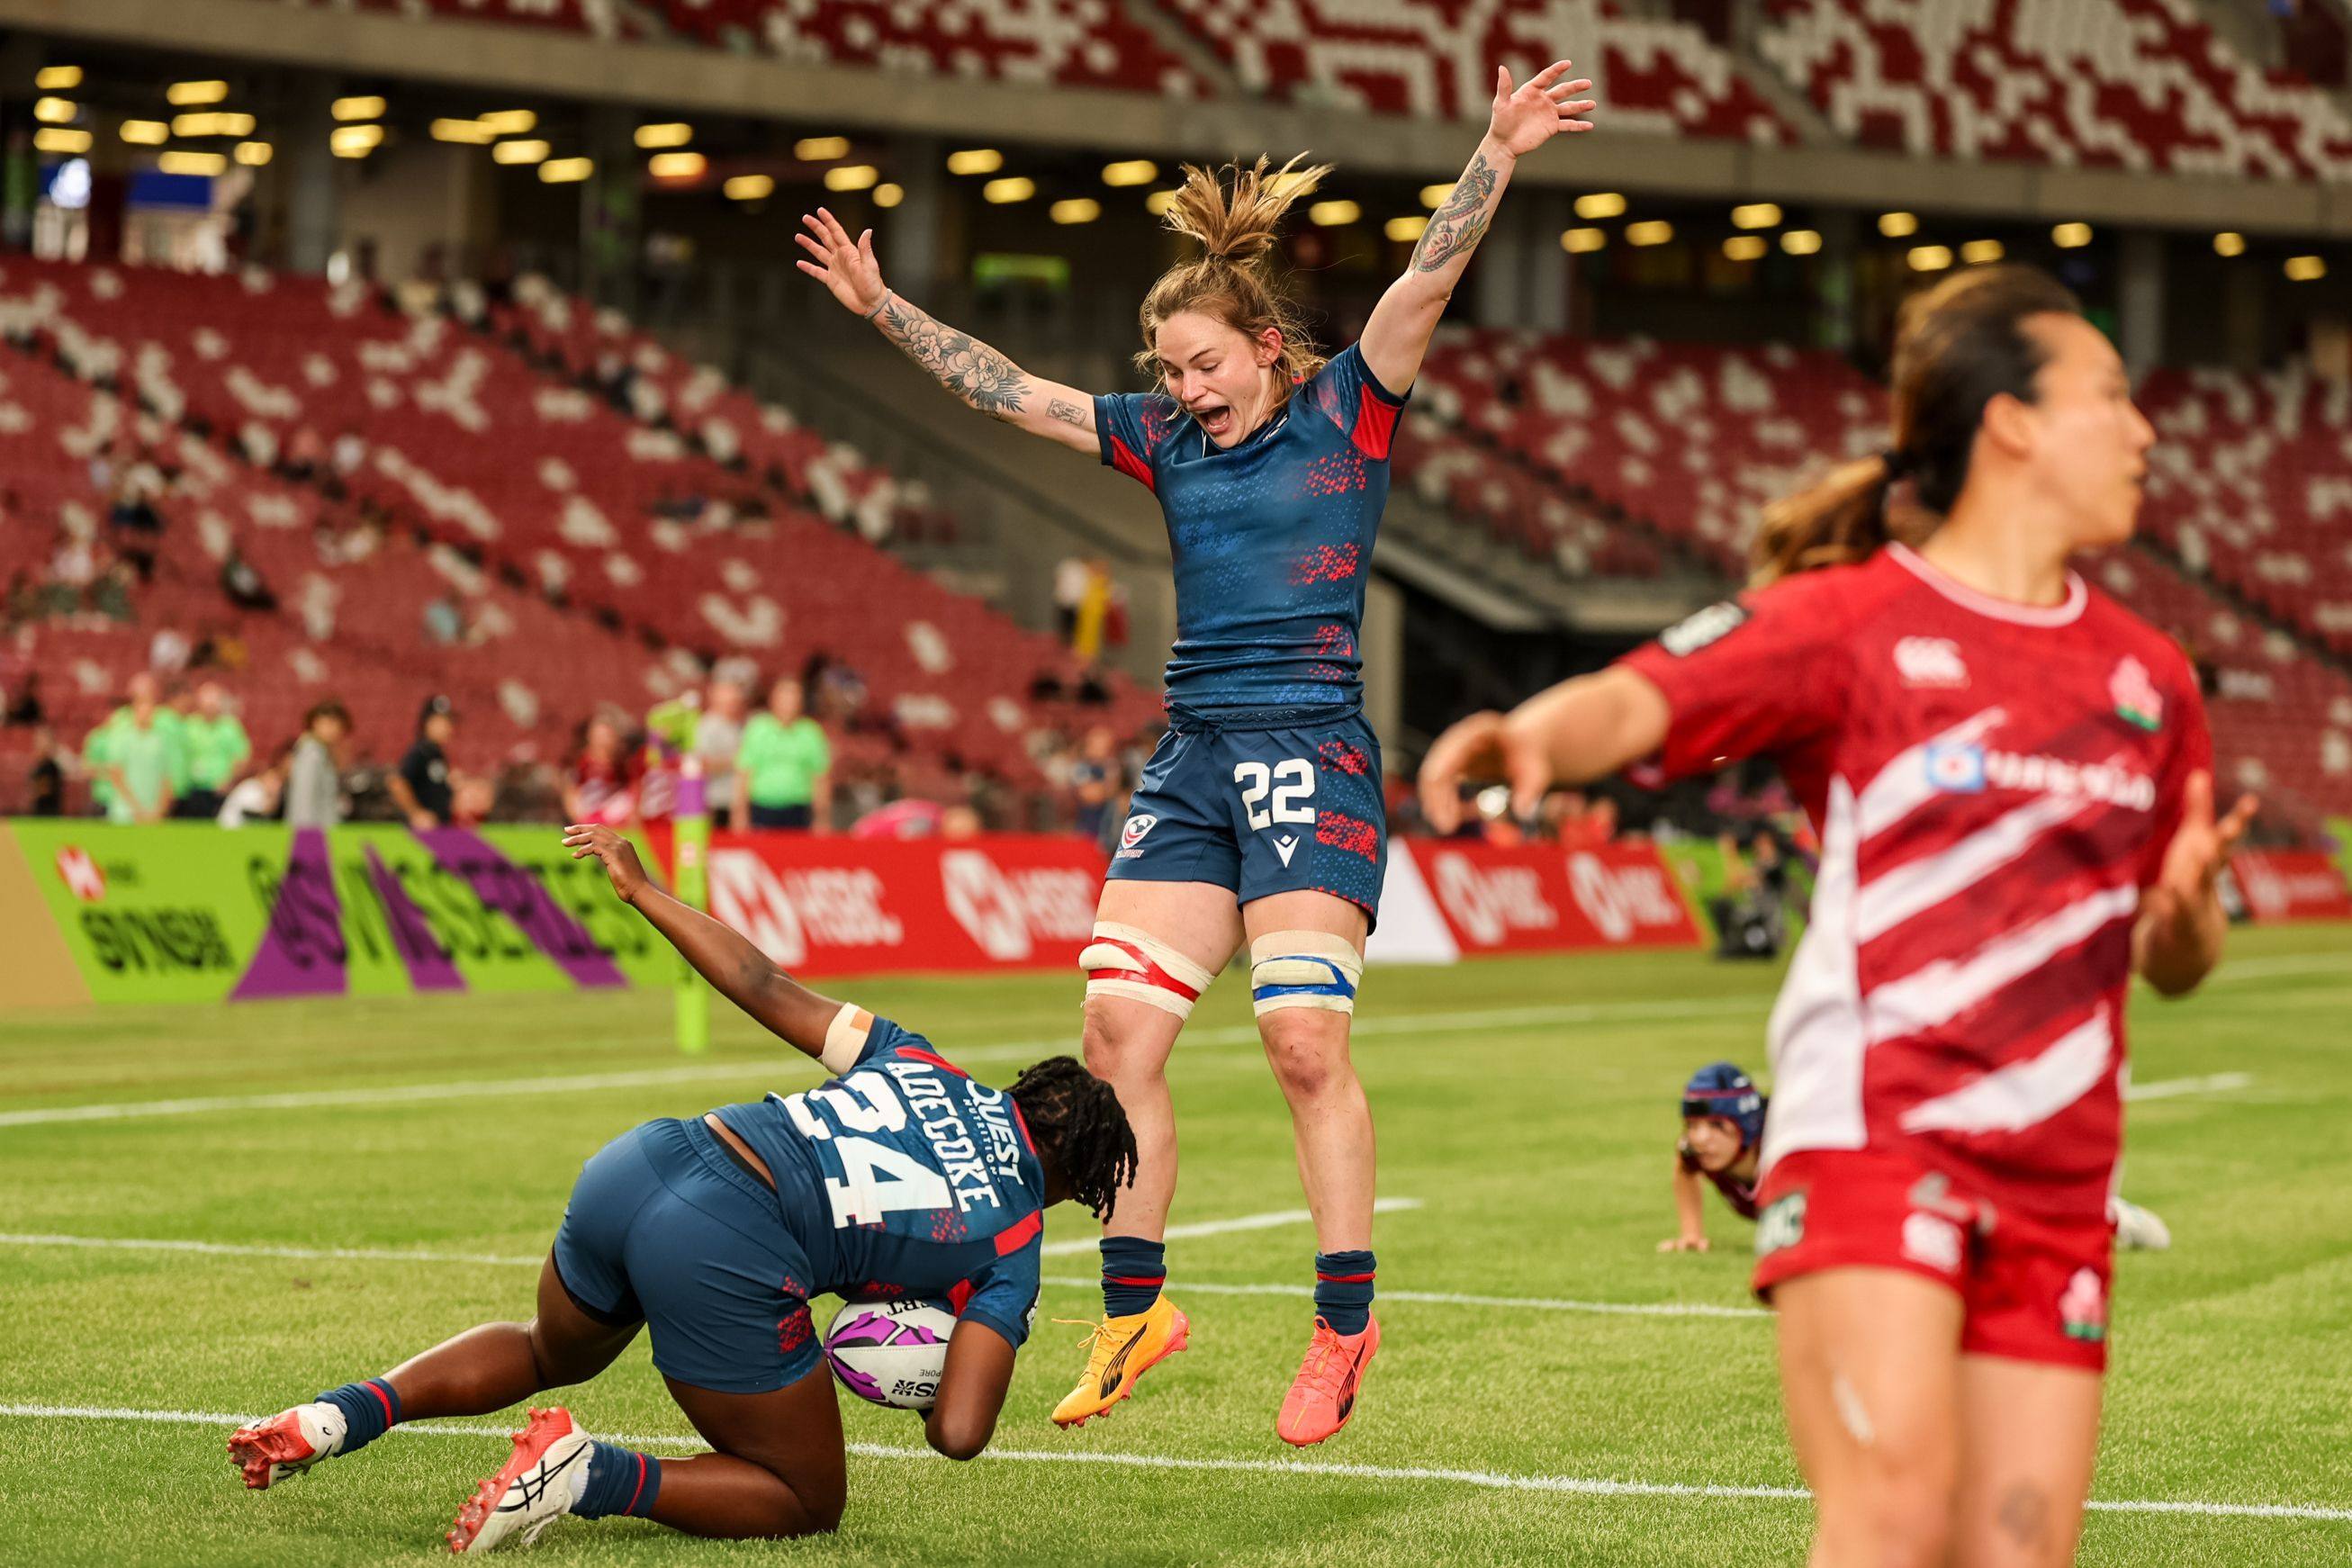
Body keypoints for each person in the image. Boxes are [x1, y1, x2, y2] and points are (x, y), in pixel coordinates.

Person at [797, 59, 1597, 1446]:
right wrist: (882, 311)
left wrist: (1496, 152)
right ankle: (1134, 1311)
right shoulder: (1161, 439)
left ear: (1267, 348)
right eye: (1168, 370)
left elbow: (1420, 286)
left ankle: (1343, 1321)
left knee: (1297, 1039)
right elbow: (1010, 394)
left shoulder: (1351, 407)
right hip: (1192, 762)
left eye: (1205, 363)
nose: (1185, 388)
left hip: (1309, 753)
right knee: (1114, 1036)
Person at [1419, 266, 2254, 1567]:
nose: (2144, 429)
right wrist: (1529, 734)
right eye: (2111, 394)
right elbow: (1648, 694)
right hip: (1878, 1134)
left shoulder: (2152, 678)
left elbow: (2175, 960)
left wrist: (2190, 912)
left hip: (2061, 1177)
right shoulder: (1854, 620)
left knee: (2012, 1552)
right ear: (2011, 424)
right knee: (1891, 1523)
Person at [227, 823, 1138, 1553]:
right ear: (1072, 1174)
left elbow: (759, 977)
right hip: (732, 1240)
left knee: (554, 1345)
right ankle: (588, 1471)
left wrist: (643, 889)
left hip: (650, 1158)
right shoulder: (1013, 1239)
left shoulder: (922, 1060)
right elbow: (962, 1431)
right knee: (806, 1496)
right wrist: (911, 1358)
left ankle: (336, 1414)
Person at [1662, 1062, 1767, 1252]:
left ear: (1749, 1124)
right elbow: (1685, 1170)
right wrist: (1691, 1234)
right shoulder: (1692, 1152)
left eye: (1717, 1125)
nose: (1700, 1139)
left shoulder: (1786, 1146)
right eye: (1692, 1125)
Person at [734, 677, 831, 832]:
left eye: (793, 697)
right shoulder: (757, 729)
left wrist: (822, 819)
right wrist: (739, 815)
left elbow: (820, 777)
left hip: (798, 810)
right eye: (784, 697)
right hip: (762, 808)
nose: (788, 703)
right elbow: (744, 773)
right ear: (773, 699)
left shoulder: (811, 733)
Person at [82, 672, 182, 825]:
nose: (146, 710)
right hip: (125, 812)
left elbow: (167, 778)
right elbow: (116, 774)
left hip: (153, 812)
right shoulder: (122, 737)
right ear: (134, 708)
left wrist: (160, 810)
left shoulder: (162, 739)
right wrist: (136, 808)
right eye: (142, 705)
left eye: (150, 705)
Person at [176, 681, 251, 822]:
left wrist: (229, 781)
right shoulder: (188, 725)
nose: (209, 707)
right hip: (192, 790)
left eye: (213, 702)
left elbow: (242, 758)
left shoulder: (230, 727)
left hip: (218, 791)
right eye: (206, 702)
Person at [391, 695, 457, 830]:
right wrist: (415, 813)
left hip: (439, 828)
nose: (448, 727)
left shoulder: (437, 754)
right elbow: (397, 782)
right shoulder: (420, 752)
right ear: (427, 723)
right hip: (423, 833)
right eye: (442, 722)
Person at [563, 713, 638, 827]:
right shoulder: (581, 762)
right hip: (587, 810)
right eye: (599, 736)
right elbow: (572, 792)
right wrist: (578, 816)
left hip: (612, 814)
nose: (603, 741)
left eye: (607, 736)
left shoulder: (621, 763)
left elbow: (631, 791)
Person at [284, 701, 350, 831]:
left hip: (323, 833)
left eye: (336, 724)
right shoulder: (311, 753)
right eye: (327, 724)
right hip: (312, 835)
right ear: (314, 724)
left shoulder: (323, 753)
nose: (332, 729)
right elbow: (304, 798)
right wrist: (307, 838)